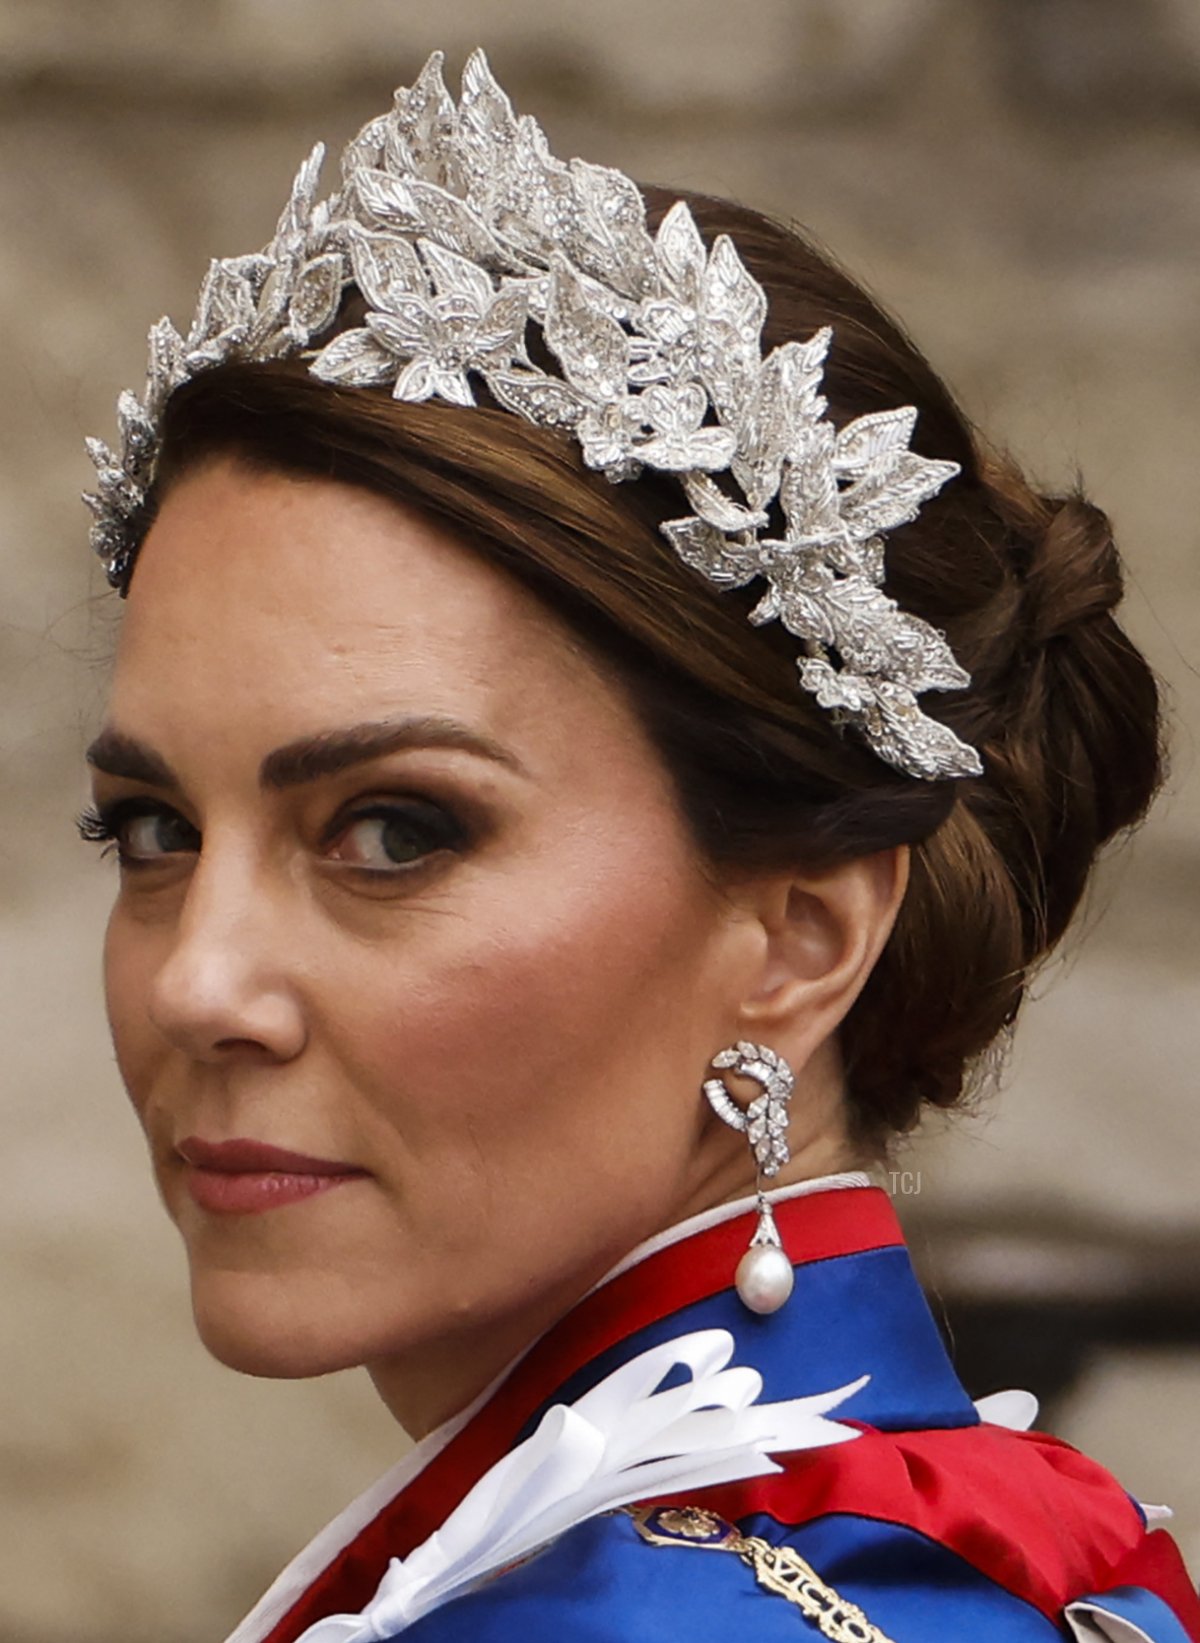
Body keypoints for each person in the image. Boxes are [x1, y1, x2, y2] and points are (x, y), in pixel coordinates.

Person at [79, 47, 1198, 1643]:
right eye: (152, 828)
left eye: (392, 831)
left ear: (800, 937)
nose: (200, 982)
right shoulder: (978, 1553)